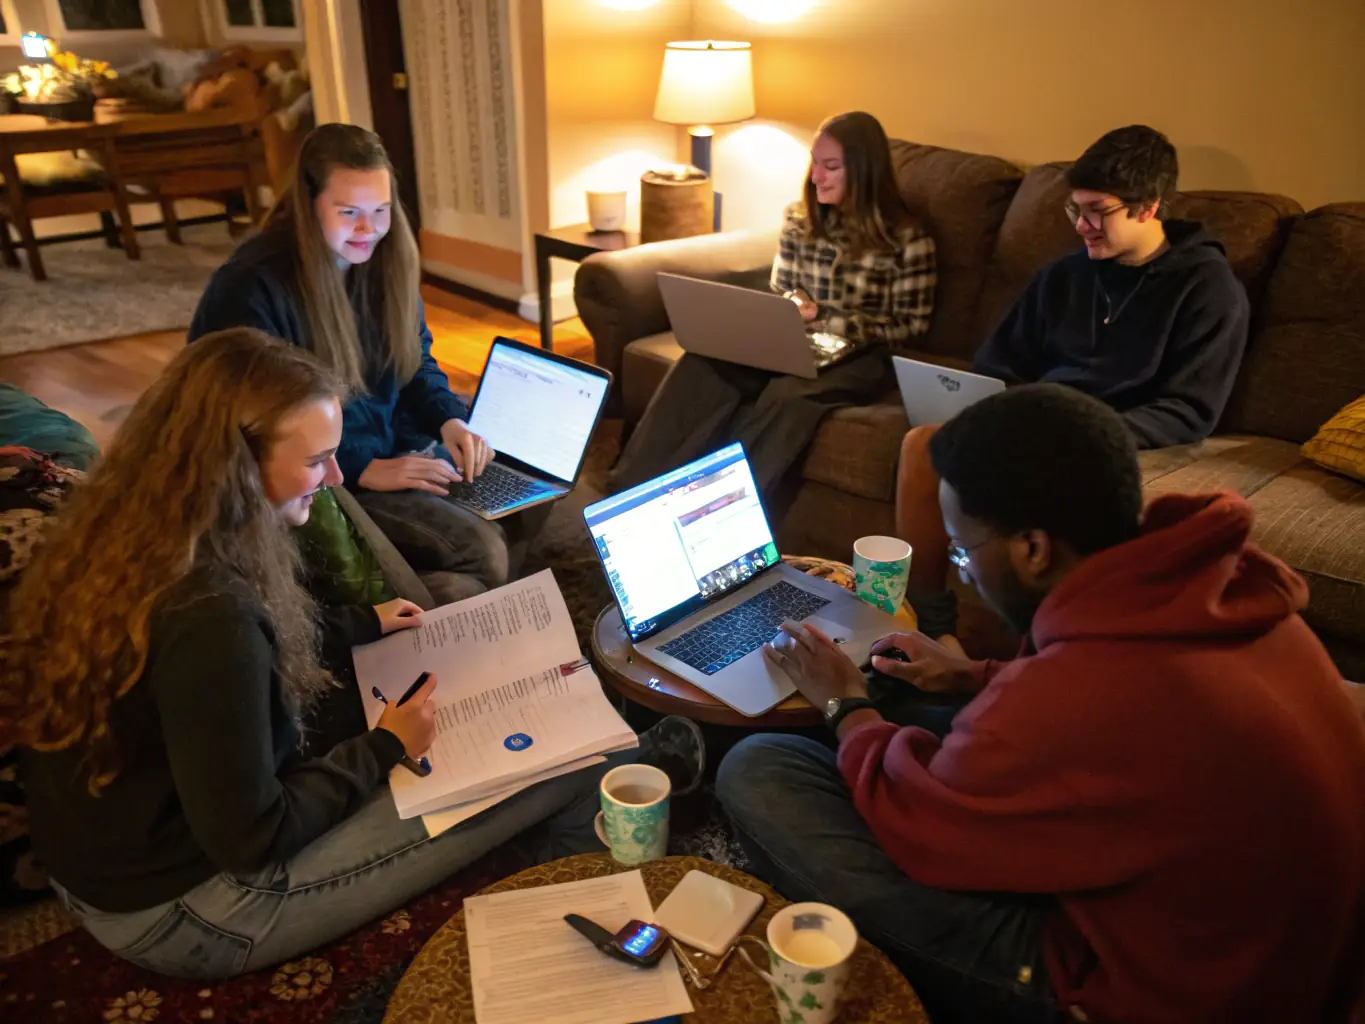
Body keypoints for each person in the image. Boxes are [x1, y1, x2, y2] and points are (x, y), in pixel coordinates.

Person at [3, 329, 702, 980]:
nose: (336, 477)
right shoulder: (207, 611)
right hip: (189, 911)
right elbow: (254, 835)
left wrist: (357, 624)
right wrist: (385, 746)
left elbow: (223, 675)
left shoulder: (135, 524)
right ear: (234, 464)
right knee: (579, 759)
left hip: (116, 856)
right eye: (314, 459)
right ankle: (569, 952)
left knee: (390, 683)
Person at [717, 384, 1365, 1024]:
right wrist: (980, 674)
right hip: (1275, 953)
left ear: (1031, 548)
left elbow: (924, 835)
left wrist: (845, 705)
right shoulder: (1225, 590)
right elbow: (1115, 714)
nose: (964, 571)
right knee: (913, 710)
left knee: (760, 767)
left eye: (964, 553)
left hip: (1155, 994)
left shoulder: (1070, 699)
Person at [896, 125, 1251, 637]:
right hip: (1041, 420)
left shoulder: (1207, 287)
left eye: (1097, 212)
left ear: (1148, 207)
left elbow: (1190, 411)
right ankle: (926, 624)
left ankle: (1041, 650)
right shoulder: (1064, 276)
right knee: (922, 443)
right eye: (1075, 210)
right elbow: (1000, 363)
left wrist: (1081, 432)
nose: (1082, 226)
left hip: (1119, 437)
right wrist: (995, 409)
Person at [189, 122, 521, 604]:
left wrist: (447, 417)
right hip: (320, 478)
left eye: (380, 211)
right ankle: (451, 596)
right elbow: (250, 432)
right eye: (349, 213)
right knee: (483, 551)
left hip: (393, 445)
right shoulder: (251, 288)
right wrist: (364, 466)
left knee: (518, 478)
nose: (369, 230)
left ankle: (466, 591)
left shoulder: (384, 262)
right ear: (307, 206)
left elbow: (415, 362)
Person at [609, 110, 936, 495]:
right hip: (792, 336)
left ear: (865, 171)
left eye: (830, 167)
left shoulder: (910, 239)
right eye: (815, 163)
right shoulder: (801, 219)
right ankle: (626, 490)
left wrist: (829, 321)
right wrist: (791, 305)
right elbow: (781, 286)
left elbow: (912, 327)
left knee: (788, 397)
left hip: (863, 356)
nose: (816, 177)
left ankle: (721, 506)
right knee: (703, 363)